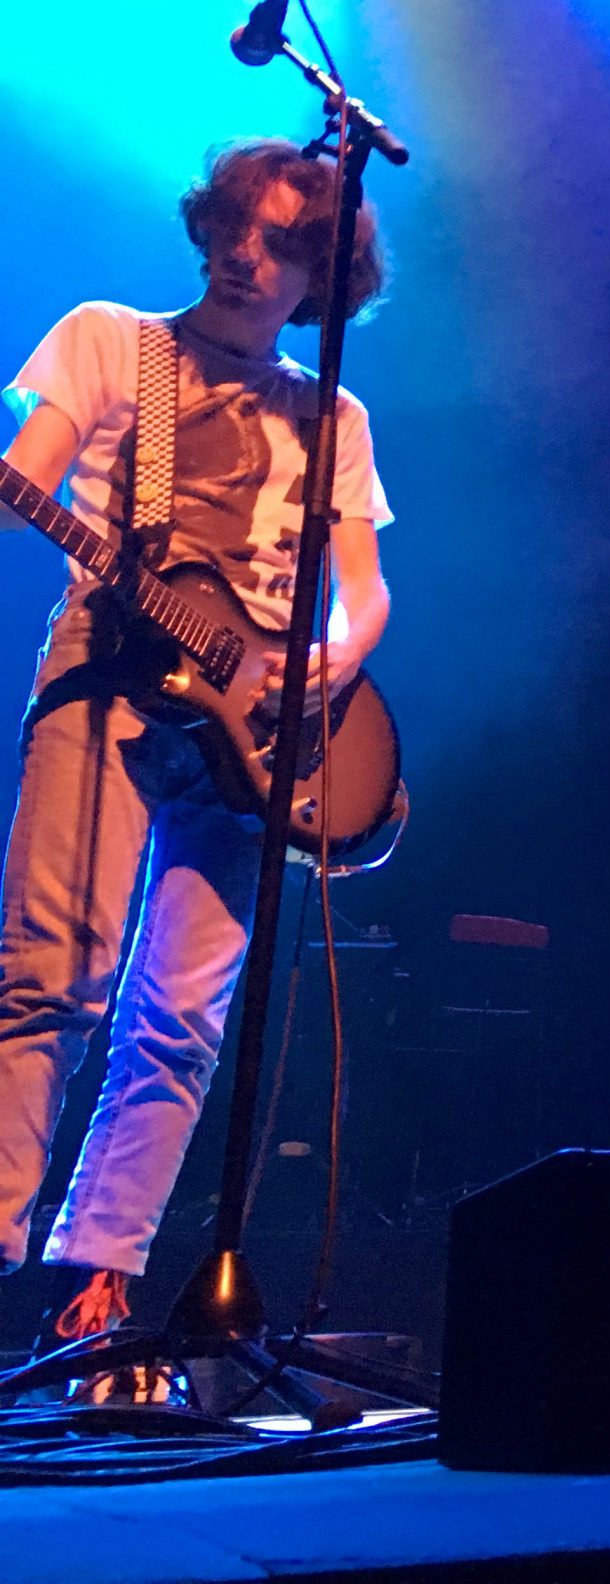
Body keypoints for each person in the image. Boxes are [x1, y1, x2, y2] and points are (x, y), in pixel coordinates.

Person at [0, 140, 392, 1358]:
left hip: (259, 720)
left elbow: (366, 590)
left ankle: (95, 1283)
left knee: (181, 1017)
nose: (245, 253)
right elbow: (30, 478)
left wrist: (330, 657)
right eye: (237, 226)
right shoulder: (118, 342)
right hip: (111, 674)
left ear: (317, 279)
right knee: (49, 975)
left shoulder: (332, 412)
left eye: (280, 243)